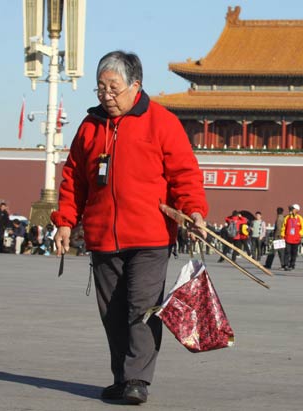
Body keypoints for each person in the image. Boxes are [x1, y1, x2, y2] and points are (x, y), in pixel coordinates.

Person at [51, 50, 208, 405]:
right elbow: (74, 178)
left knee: (142, 308)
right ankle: (122, 378)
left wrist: (194, 211)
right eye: (100, 88)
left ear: (136, 85)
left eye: (114, 87)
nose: (106, 95)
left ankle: (137, 379)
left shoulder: (162, 122)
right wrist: (64, 221)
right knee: (113, 313)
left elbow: (185, 174)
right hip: (103, 236)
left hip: (150, 236)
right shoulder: (90, 126)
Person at [281, 204, 303, 271]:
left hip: (296, 239)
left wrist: (300, 234)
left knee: (294, 253)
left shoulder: (300, 218)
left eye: (293, 209)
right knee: (287, 252)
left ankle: (292, 265)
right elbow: (283, 227)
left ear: (297, 210)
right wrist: (282, 235)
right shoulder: (287, 217)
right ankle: (286, 265)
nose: (292, 210)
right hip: (288, 238)